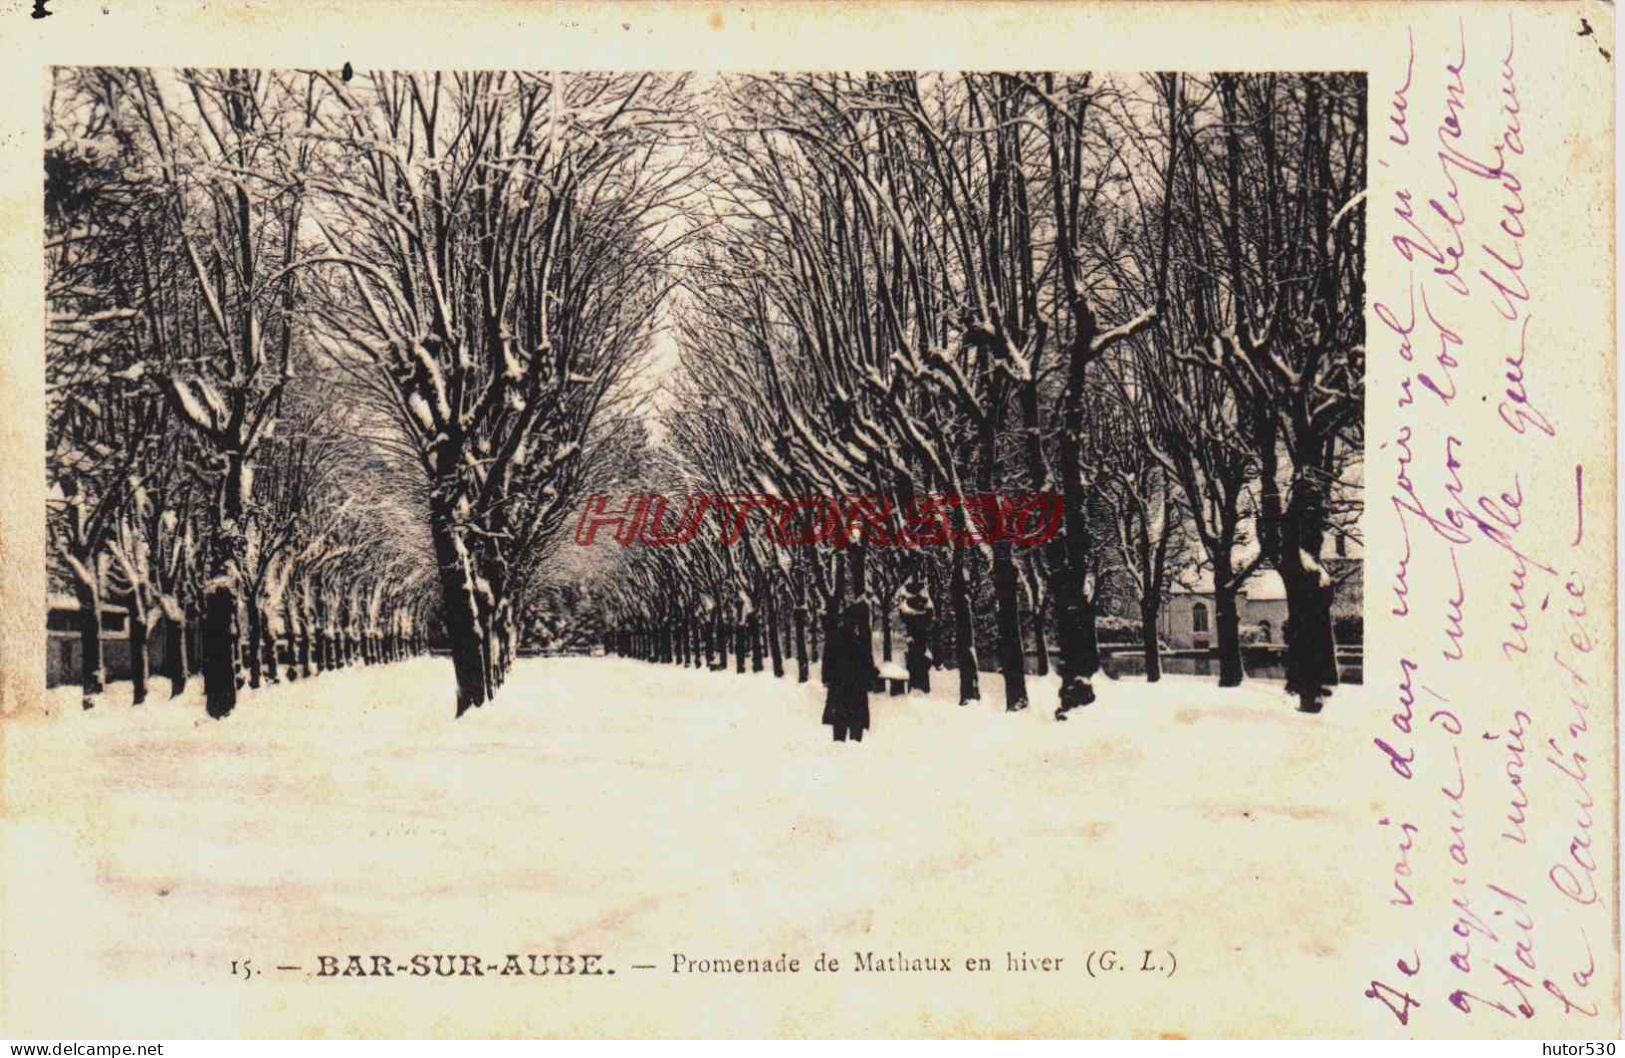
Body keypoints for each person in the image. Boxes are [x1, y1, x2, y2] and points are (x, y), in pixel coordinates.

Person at [822, 599, 876, 743]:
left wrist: (829, 680)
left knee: (839, 737)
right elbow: (867, 666)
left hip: (840, 694)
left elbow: (827, 666)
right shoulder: (859, 642)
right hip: (854, 695)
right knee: (854, 738)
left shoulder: (835, 639)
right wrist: (870, 678)